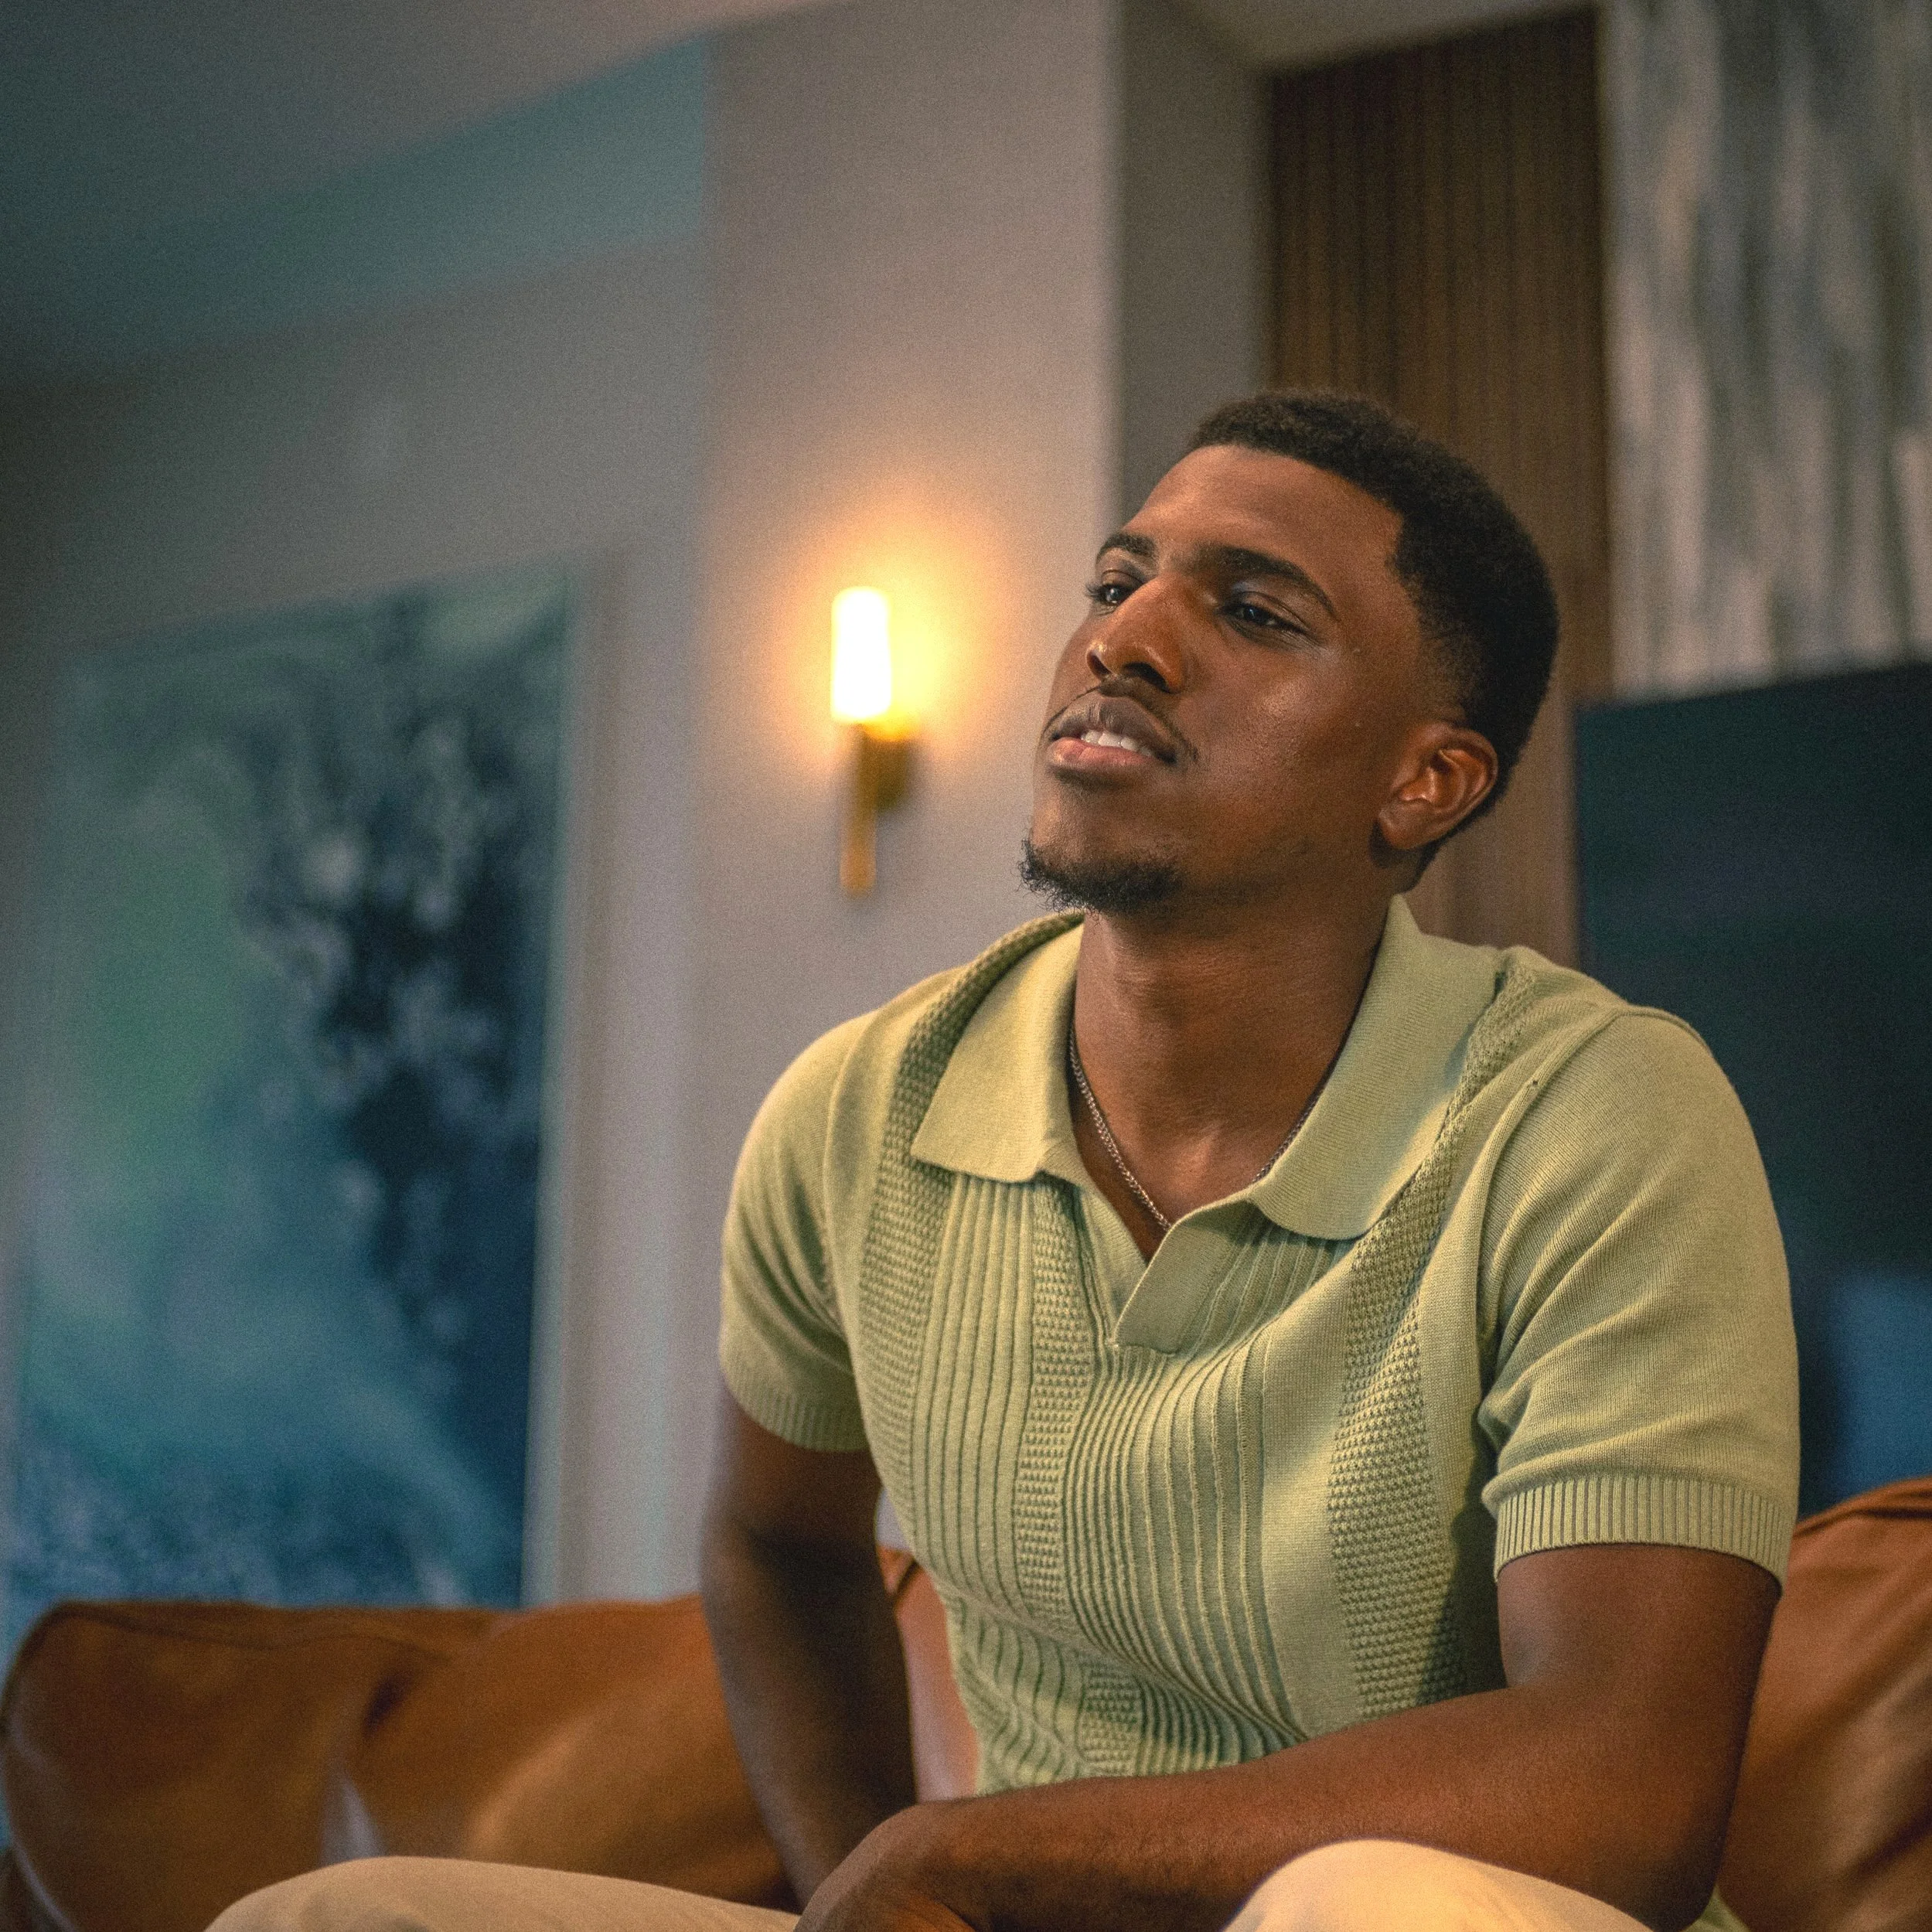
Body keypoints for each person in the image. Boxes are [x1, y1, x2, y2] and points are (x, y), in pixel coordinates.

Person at [213, 393, 1798, 1932]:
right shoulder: (855, 1115)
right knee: (344, 1911)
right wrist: (872, 1873)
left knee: (1358, 1903)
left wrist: (969, 1858)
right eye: (1117, 581)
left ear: (1424, 779)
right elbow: (775, 1538)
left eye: (1251, 613)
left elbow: (1622, 1779)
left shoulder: (1592, 1111)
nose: (1122, 637)